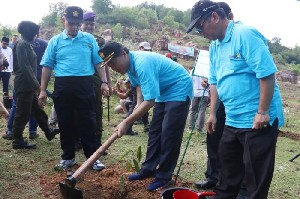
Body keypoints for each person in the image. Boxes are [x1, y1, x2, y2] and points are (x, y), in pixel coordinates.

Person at [187, 1, 284, 199]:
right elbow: (214, 81)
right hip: (232, 118)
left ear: (214, 17)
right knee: (228, 170)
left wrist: (262, 112)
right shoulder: (214, 46)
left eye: (200, 26)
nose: (200, 32)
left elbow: (266, 74)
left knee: (255, 178)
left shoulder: (245, 34)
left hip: (257, 120)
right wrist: (213, 113)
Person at [99, 41, 193, 191]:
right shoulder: (130, 66)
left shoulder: (142, 63)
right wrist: (137, 106)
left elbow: (150, 101)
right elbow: (139, 88)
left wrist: (127, 122)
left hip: (178, 87)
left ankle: (164, 176)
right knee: (155, 131)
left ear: (124, 53)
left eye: (114, 63)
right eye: (110, 66)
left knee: (169, 132)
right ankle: (148, 169)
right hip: (163, 91)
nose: (114, 68)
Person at [38, 6, 109, 171]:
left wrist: (104, 82)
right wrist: (42, 90)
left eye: (77, 24)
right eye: (71, 23)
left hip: (85, 84)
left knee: (88, 121)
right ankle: (68, 157)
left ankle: (92, 158)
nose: (74, 27)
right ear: (64, 20)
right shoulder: (55, 41)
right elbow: (47, 67)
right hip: (63, 85)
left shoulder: (89, 39)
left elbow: (99, 62)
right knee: (65, 121)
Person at [11, 21, 59, 149]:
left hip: (28, 84)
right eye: (35, 32)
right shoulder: (22, 45)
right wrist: (37, 85)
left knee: (37, 110)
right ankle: (17, 140)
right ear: (30, 33)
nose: (36, 35)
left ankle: (48, 131)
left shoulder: (26, 44)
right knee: (23, 112)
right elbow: (25, 67)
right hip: (24, 83)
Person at [2, 37, 49, 140]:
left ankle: (15, 132)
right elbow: (24, 66)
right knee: (23, 107)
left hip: (28, 77)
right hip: (28, 77)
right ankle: (22, 133)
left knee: (29, 105)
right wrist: (37, 85)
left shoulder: (22, 43)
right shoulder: (24, 44)